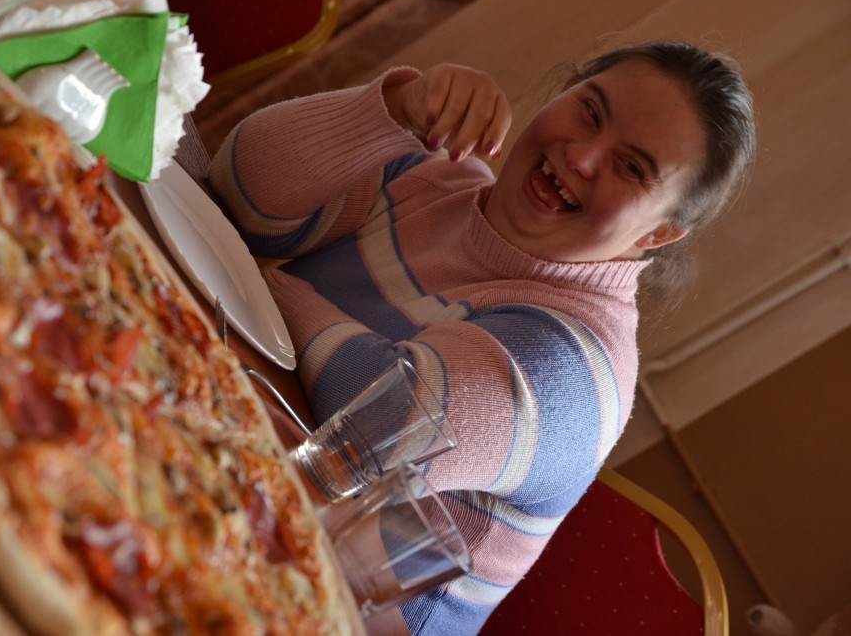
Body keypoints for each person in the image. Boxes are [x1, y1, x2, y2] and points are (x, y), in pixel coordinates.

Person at [207, 40, 756, 635]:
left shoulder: (580, 371)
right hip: (230, 467)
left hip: (314, 609)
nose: (581, 156)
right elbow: (242, 195)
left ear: (659, 235)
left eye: (632, 168)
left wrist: (258, 281)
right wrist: (395, 108)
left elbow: (373, 425)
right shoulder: (434, 172)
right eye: (590, 112)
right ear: (562, 91)